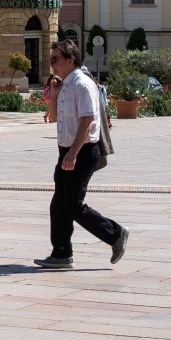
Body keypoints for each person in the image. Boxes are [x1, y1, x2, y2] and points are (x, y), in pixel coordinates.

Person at [35, 38, 128, 269]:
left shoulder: (82, 84)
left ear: (70, 59)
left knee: (73, 205)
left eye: (55, 59)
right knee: (59, 205)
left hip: (83, 151)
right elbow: (54, 118)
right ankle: (61, 254)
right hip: (66, 150)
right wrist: (54, 96)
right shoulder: (65, 84)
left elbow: (87, 120)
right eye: (50, 60)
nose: (51, 64)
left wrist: (73, 154)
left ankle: (115, 234)